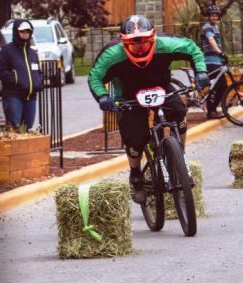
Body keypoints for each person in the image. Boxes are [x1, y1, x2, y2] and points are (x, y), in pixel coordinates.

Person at [88, 15, 209, 203]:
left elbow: (193, 49)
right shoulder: (112, 55)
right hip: (129, 96)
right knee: (136, 138)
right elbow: (95, 76)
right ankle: (135, 175)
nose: (140, 48)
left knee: (178, 111)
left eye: (145, 43)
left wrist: (200, 71)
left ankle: (180, 153)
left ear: (153, 38)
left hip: (161, 87)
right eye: (134, 45)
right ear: (123, 43)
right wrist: (103, 96)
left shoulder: (165, 45)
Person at [0, 19, 42, 129]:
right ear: (16, 32)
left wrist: (38, 82)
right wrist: (16, 80)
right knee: (15, 128)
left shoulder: (33, 53)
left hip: (31, 97)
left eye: (28, 31)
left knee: (27, 129)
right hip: (13, 96)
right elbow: (0, 70)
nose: (25, 33)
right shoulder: (7, 50)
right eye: (22, 31)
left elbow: (38, 71)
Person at [201, 5, 226, 119]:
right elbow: (211, 40)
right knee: (219, 86)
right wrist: (220, 52)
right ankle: (211, 111)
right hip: (210, 61)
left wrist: (221, 57)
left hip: (217, 61)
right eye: (212, 15)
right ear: (208, 16)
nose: (214, 17)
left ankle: (212, 110)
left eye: (216, 15)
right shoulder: (207, 27)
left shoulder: (215, 27)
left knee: (220, 86)